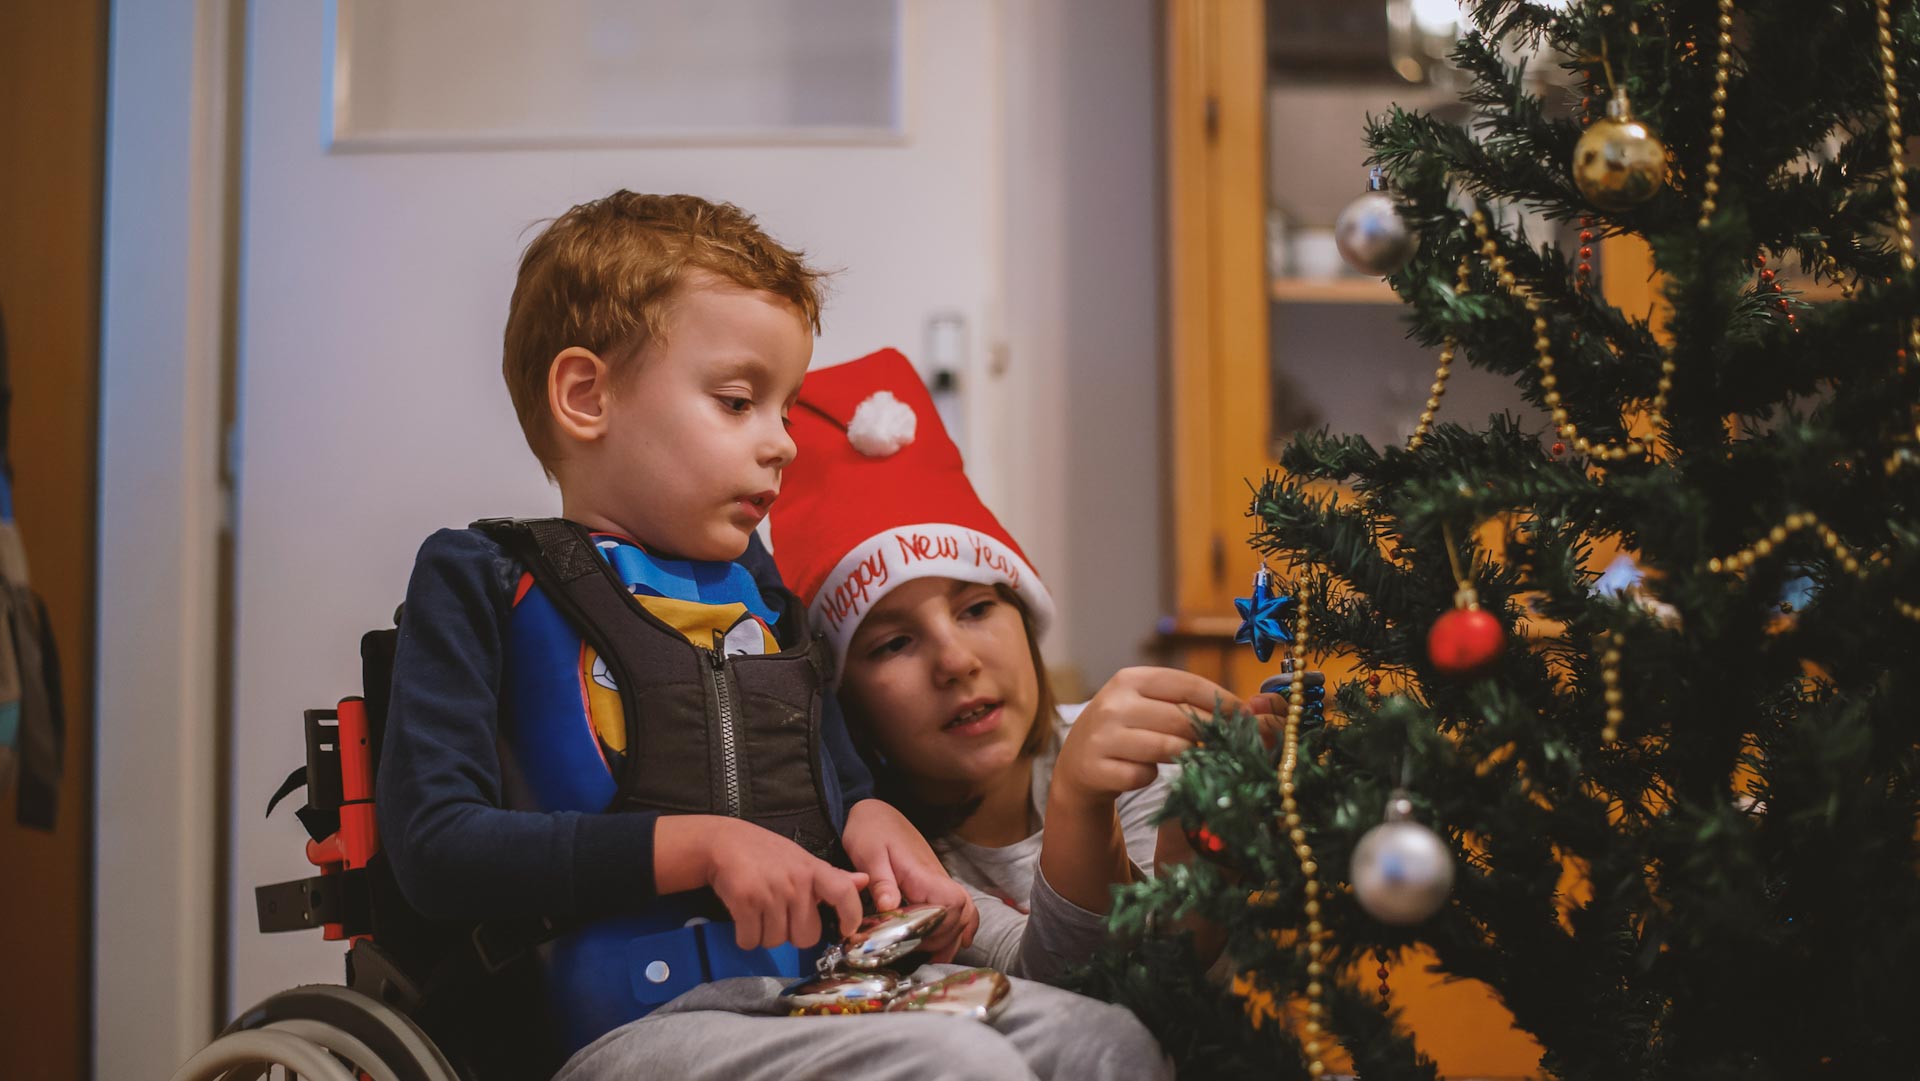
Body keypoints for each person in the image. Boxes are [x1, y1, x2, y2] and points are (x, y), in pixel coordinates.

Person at [377, 192, 1167, 1081]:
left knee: (1107, 1041)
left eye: (785, 409)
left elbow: (843, 789)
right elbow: (437, 848)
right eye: (739, 401)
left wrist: (873, 824)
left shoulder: (763, 595)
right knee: (953, 1066)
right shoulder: (481, 576)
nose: (781, 443)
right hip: (619, 1033)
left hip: (805, 998)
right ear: (586, 395)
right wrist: (701, 844)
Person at [768, 348, 1274, 985]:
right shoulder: (896, 863)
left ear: (1024, 618)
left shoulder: (1141, 761)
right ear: (847, 704)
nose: (955, 661)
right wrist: (1078, 805)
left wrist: (1198, 867)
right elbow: (1072, 998)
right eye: (894, 644)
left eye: (976, 608)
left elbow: (1176, 987)